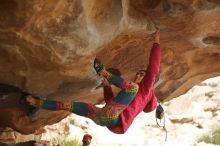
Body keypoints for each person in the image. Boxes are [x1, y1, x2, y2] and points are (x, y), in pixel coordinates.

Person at [26, 28, 161, 134]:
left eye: (142, 74)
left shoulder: (146, 90)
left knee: (133, 88)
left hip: (112, 119)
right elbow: (111, 103)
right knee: (69, 106)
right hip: (102, 118)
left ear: (148, 80)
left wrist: (156, 42)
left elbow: (153, 68)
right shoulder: (129, 98)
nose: (138, 76)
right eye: (137, 73)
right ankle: (37, 102)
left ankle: (103, 72)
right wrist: (107, 87)